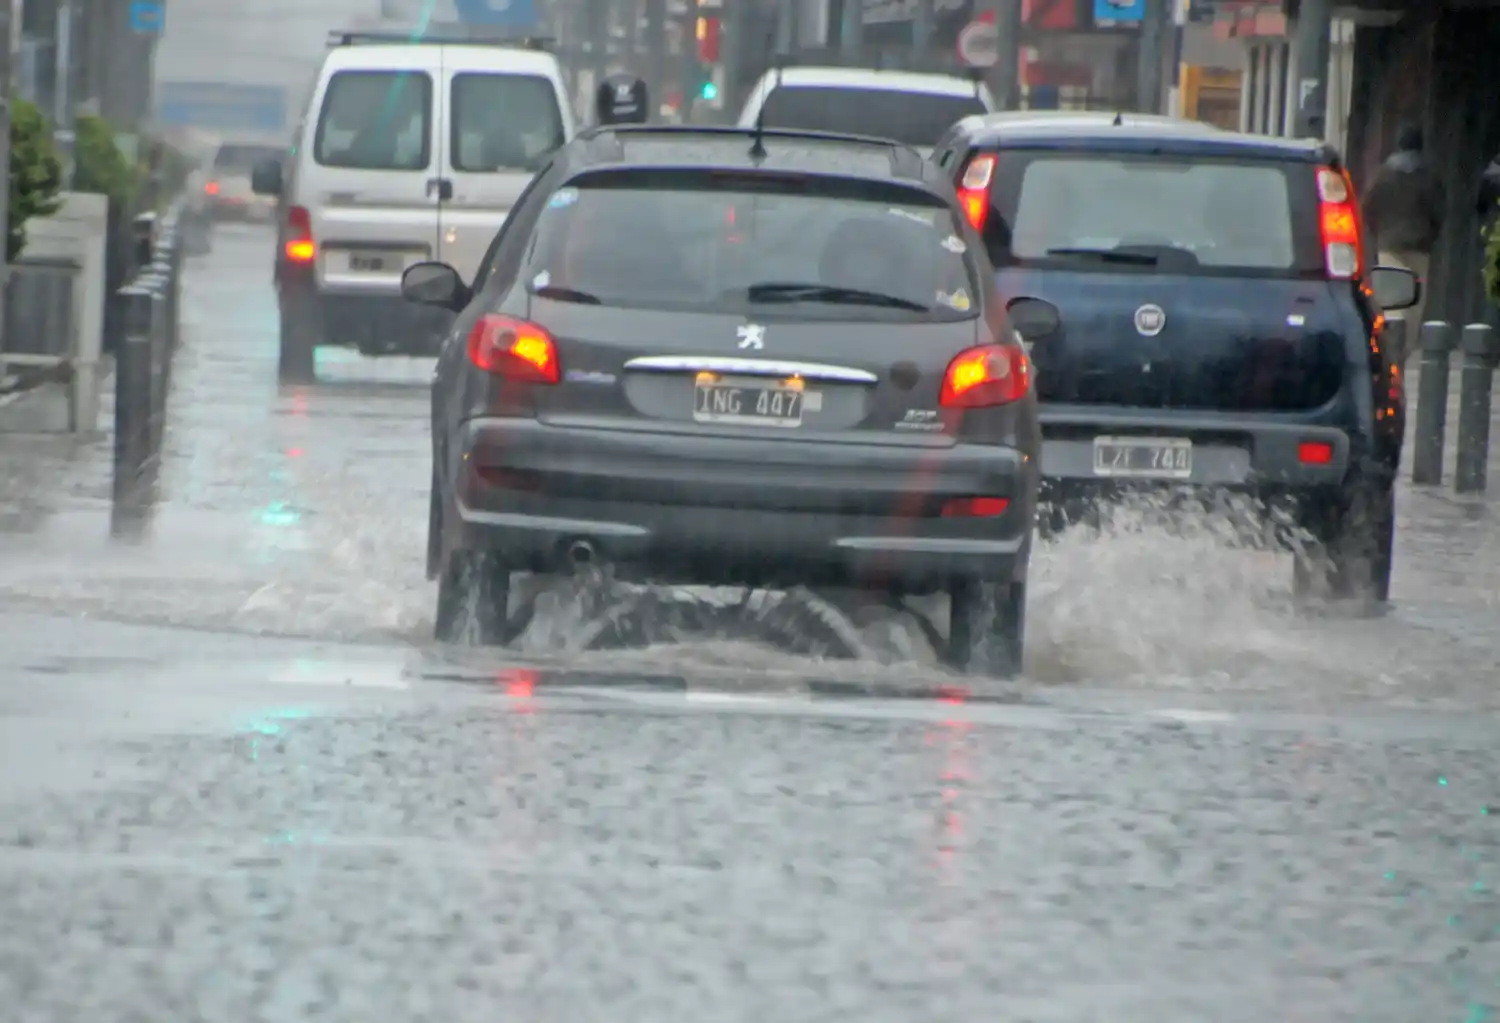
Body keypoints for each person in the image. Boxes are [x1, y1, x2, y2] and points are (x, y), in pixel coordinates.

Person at [1362, 124, 1444, 365]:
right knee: (1415, 304)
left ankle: (1390, 349)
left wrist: (1379, 232)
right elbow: (1439, 210)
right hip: (1419, 247)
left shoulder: (1383, 174)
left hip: (1389, 245)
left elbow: (1367, 206)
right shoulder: (1428, 175)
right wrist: (1430, 235)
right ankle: (1405, 348)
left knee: (1392, 301)